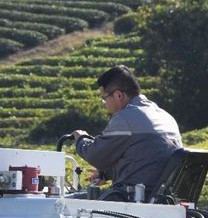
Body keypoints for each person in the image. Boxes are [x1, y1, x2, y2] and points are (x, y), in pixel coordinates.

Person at [72, 65, 182, 202]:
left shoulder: (126, 118)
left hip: (133, 198)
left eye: (104, 98)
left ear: (118, 95)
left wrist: (81, 138)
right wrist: (106, 174)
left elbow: (95, 154)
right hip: (161, 197)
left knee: (70, 201)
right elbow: (144, 161)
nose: (104, 103)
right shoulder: (165, 116)